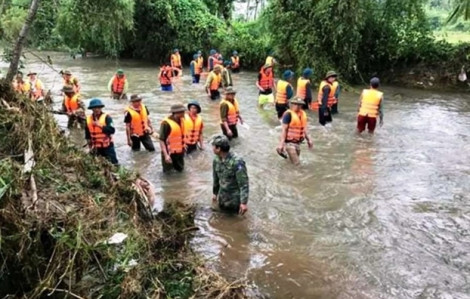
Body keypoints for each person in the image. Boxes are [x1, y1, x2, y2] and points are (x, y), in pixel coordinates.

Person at [211, 135, 249, 215]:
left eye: (213, 146)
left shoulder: (237, 162)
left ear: (218, 149)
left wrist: (243, 203)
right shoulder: (216, 160)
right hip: (222, 197)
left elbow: (244, 184)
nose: (212, 148)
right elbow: (216, 178)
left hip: (234, 200)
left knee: (235, 221)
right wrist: (215, 193)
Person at [276, 97, 313, 165]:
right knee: (297, 163)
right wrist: (281, 144)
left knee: (292, 162)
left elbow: (305, 129)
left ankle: (287, 171)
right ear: (292, 104)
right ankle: (300, 175)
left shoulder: (303, 114)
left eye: (300, 104)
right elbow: (284, 130)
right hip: (289, 143)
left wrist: (309, 140)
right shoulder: (288, 115)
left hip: (297, 143)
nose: (298, 106)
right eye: (296, 104)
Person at [85, 99, 119, 165]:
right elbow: (87, 133)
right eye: (95, 108)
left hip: (108, 146)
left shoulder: (107, 117)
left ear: (101, 108)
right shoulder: (88, 119)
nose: (97, 109)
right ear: (92, 109)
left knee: (114, 164)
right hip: (96, 146)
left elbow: (112, 130)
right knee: (96, 164)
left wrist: (100, 126)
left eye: (98, 107)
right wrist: (89, 144)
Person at [159, 104, 186, 173]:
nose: (184, 113)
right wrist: (166, 155)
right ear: (176, 113)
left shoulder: (182, 120)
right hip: (169, 152)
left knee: (181, 170)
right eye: (182, 112)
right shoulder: (165, 124)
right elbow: (161, 140)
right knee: (168, 173)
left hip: (179, 152)